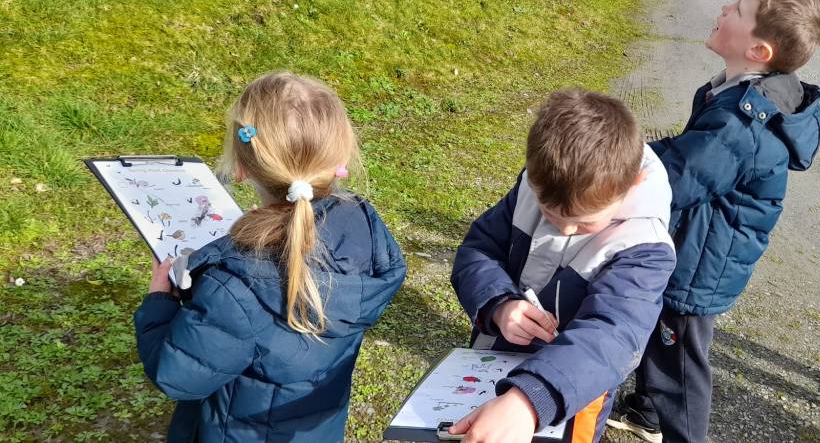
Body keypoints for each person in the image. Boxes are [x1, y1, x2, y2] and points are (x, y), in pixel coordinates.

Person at [608, 0, 820, 441]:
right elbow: (689, 153)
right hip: (697, 243)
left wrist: (614, 164)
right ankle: (648, 412)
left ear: (758, 50)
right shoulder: (738, 94)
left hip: (700, 263)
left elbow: (679, 177)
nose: (724, 7)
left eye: (738, 9)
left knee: (680, 364)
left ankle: (683, 432)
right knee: (661, 335)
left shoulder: (741, 123)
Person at [133, 71, 406, 442]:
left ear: (242, 167)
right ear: (339, 158)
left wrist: (159, 301)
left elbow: (177, 376)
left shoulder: (235, 288)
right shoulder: (363, 225)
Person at [448, 88, 676, 443]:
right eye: (549, 214)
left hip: (571, 396)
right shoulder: (535, 185)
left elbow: (612, 335)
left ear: (633, 184)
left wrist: (530, 400)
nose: (565, 230)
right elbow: (478, 250)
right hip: (495, 366)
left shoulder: (645, 247)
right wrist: (499, 304)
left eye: (583, 222)